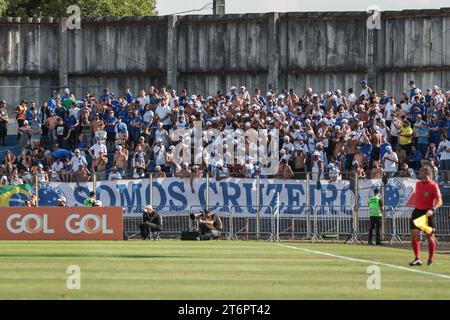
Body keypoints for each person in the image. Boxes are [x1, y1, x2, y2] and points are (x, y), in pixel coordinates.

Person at [409, 166, 443, 267]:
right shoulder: (418, 184)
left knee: (430, 236)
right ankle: (417, 259)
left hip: (428, 212)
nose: (419, 172)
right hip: (417, 212)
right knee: (414, 235)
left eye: (421, 171)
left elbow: (440, 201)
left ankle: (430, 260)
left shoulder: (433, 185)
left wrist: (433, 209)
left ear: (427, 173)